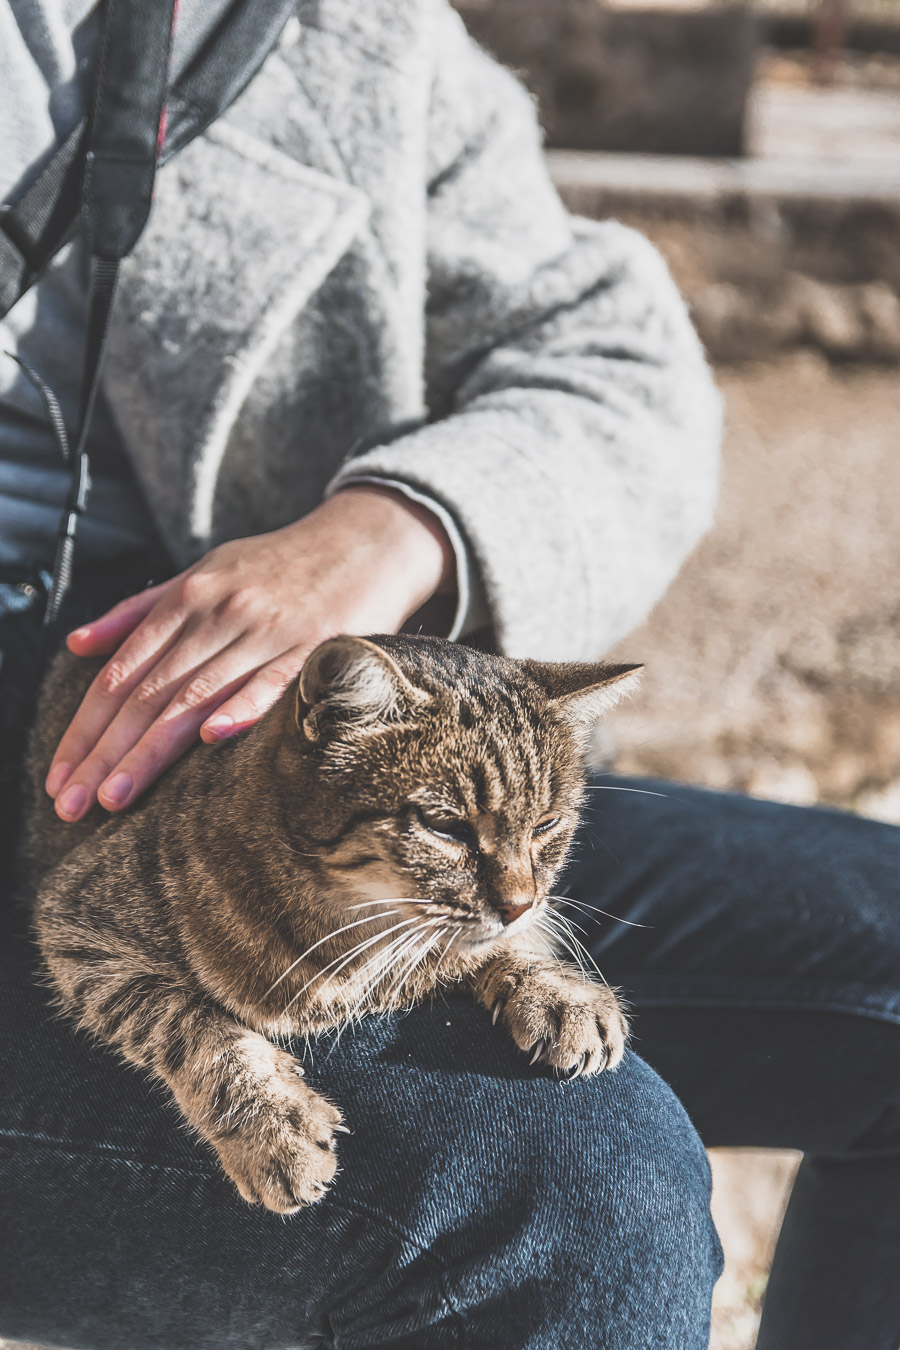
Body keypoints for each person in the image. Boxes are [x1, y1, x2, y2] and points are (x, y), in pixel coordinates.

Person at [0, 2, 897, 1348]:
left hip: (347, 748)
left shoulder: (350, 29)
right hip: (100, 809)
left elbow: (621, 365)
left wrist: (392, 528)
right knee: (583, 1190)